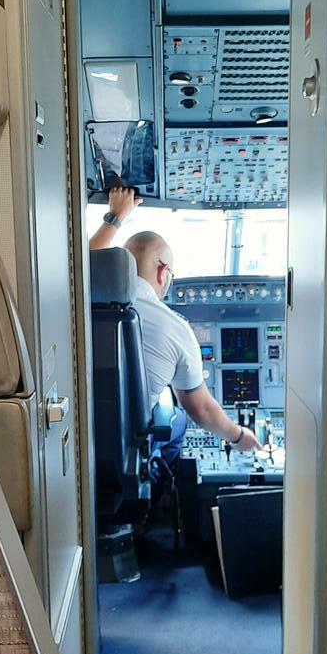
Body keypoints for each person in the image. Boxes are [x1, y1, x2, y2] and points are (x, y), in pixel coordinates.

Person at [89, 185, 263, 455]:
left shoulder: (85, 297)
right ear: (163, 272)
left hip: (82, 436)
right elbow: (201, 411)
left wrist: (116, 216)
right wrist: (239, 436)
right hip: (125, 450)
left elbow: (79, 264)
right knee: (177, 421)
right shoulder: (177, 328)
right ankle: (158, 480)